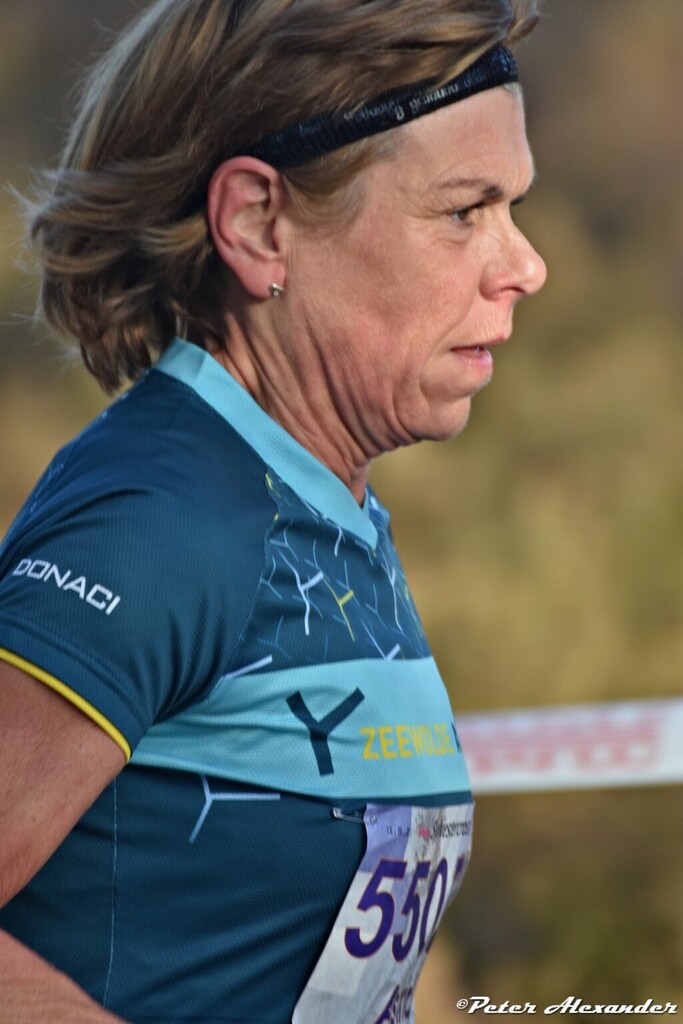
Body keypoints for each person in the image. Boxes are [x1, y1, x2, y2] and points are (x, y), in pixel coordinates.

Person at [0, 0, 546, 1020]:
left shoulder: (321, 499)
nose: (524, 265)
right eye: (462, 211)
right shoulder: (158, 524)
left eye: (512, 207)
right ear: (257, 224)